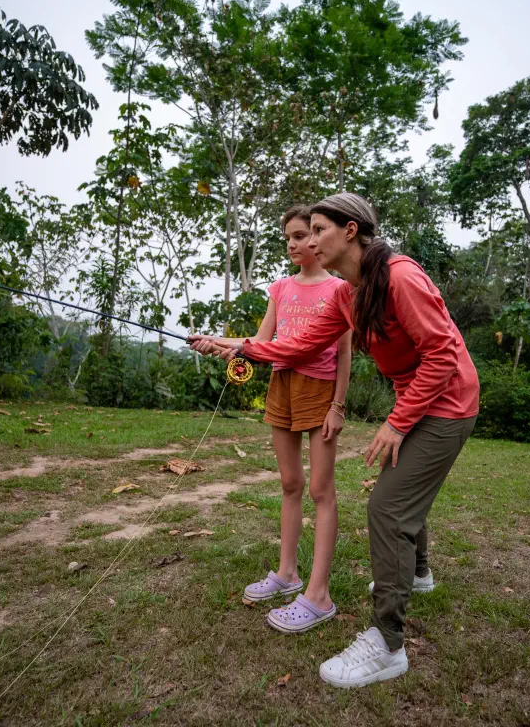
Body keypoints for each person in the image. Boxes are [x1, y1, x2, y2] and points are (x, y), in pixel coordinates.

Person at [189, 192, 479, 688]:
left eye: (319, 228)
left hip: (447, 405)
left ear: (350, 231)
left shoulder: (401, 278)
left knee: (387, 509)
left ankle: (387, 644)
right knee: (399, 488)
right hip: (419, 402)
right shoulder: (349, 294)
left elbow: (442, 357)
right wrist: (239, 345)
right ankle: (419, 574)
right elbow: (299, 344)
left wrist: (396, 422)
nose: (311, 238)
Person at [192, 205, 351, 634]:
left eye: (301, 235)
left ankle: (318, 592)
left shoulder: (340, 289)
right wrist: (214, 341)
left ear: (318, 239)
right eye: (289, 239)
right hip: (282, 384)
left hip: (319, 391)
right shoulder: (280, 288)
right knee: (289, 483)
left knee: (320, 488)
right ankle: (287, 574)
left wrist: (338, 405)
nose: (294, 244)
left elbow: (344, 354)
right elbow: (261, 342)